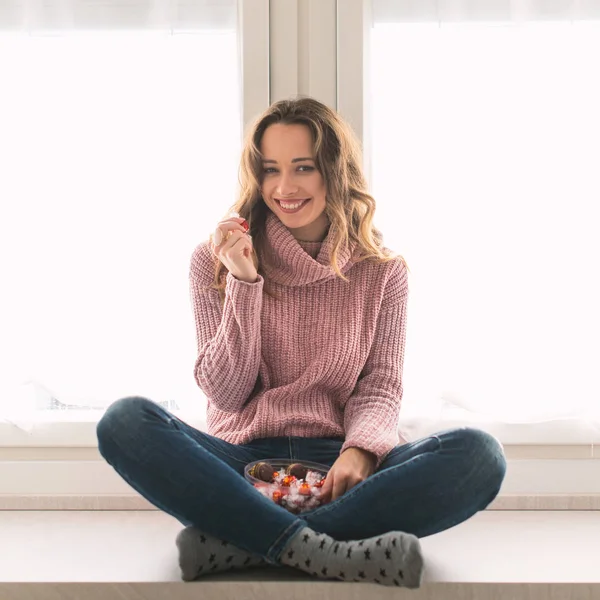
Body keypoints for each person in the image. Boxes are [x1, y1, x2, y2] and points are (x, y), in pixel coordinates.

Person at [96, 96, 507, 589]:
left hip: (339, 467)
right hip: (242, 464)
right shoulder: (214, 260)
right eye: (270, 170)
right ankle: (324, 551)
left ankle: (243, 543)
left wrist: (361, 450)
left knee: (480, 454)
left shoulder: (383, 272)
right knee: (124, 421)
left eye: (303, 168)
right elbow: (224, 393)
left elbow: (379, 387)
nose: (284, 188)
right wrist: (245, 282)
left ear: (334, 172)